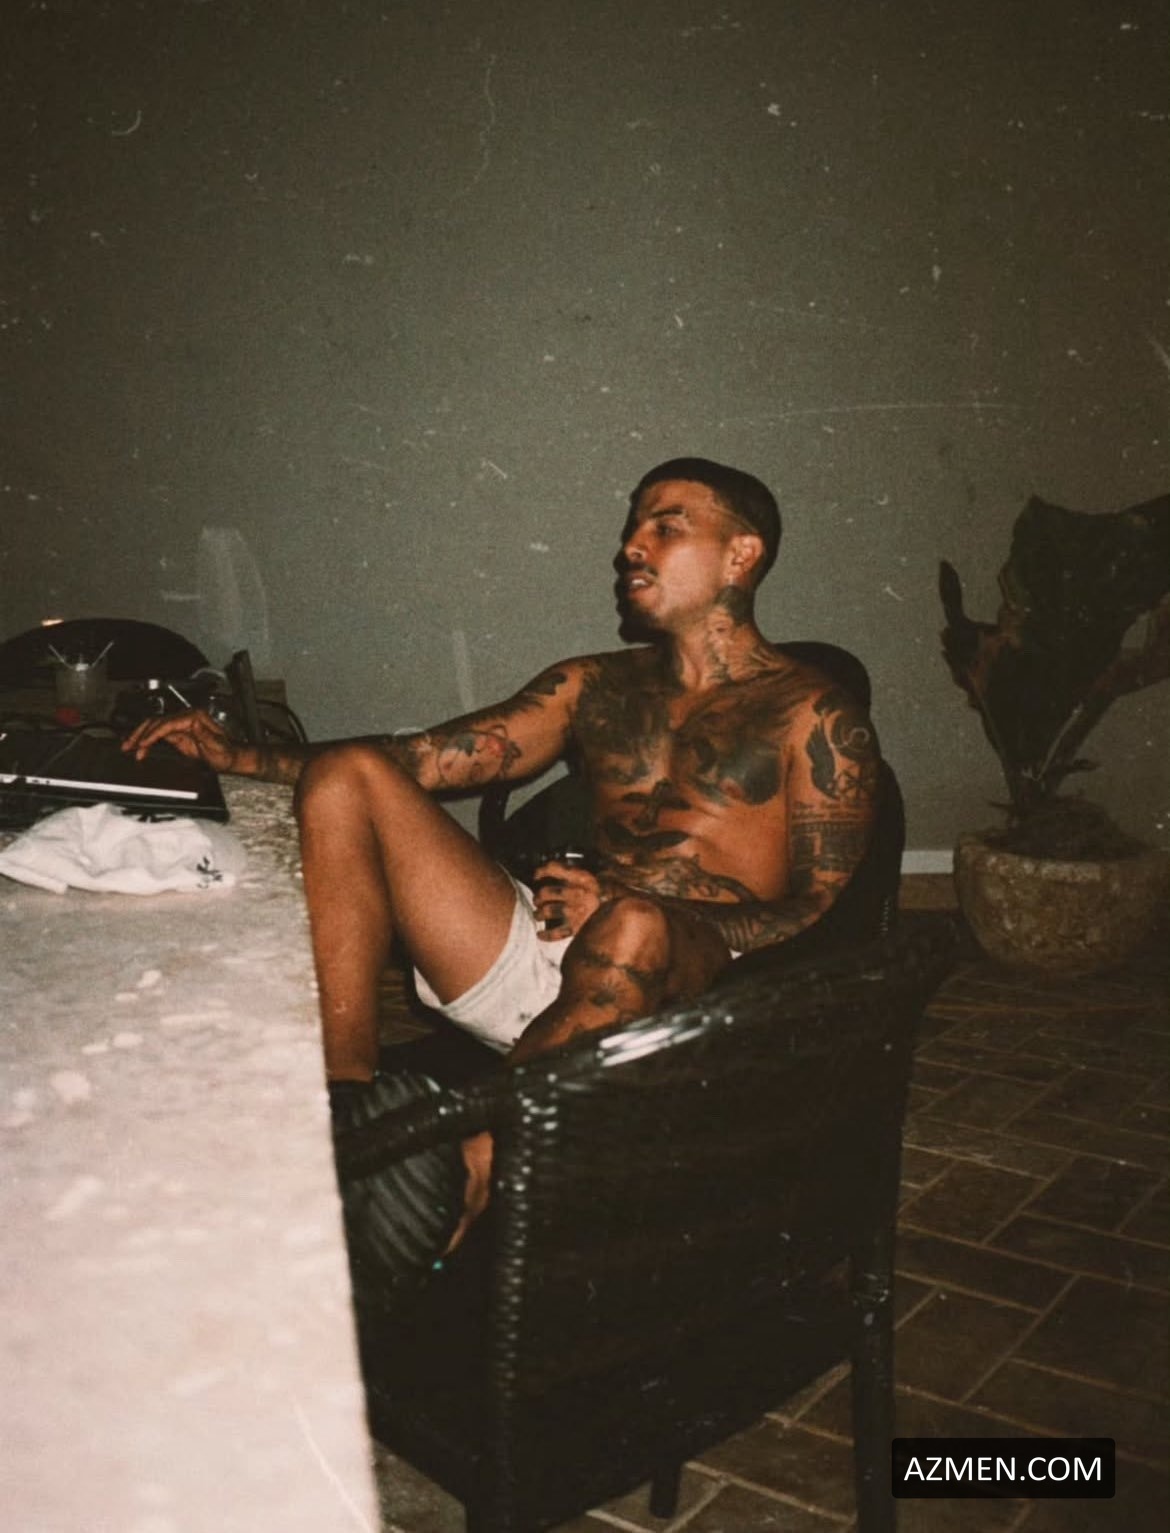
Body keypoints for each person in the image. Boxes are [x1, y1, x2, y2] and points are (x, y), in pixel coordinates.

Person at [126, 457, 881, 1278]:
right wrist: (239, 754)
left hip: (695, 987)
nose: (631, 544)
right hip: (553, 959)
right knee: (348, 775)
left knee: (635, 920)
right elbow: (429, 757)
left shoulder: (815, 713)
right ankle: (346, 1104)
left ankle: (469, 1176)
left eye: (665, 525)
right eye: (633, 526)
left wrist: (638, 909)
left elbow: (821, 910)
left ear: (742, 554)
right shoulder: (594, 684)